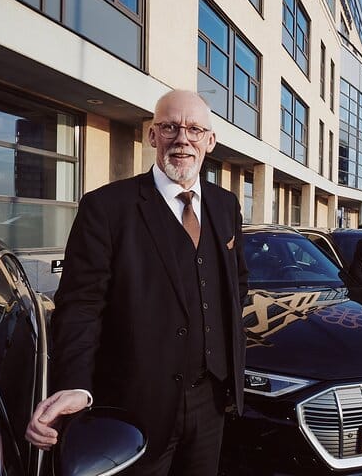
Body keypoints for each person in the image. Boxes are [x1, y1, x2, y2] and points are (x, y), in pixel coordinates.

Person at [25, 90, 248, 476]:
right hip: (134, 406)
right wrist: (76, 385)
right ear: (151, 135)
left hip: (211, 401)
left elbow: (236, 281)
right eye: (170, 127)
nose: (182, 139)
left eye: (195, 129)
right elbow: (81, 306)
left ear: (210, 141)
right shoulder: (106, 207)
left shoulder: (226, 205)